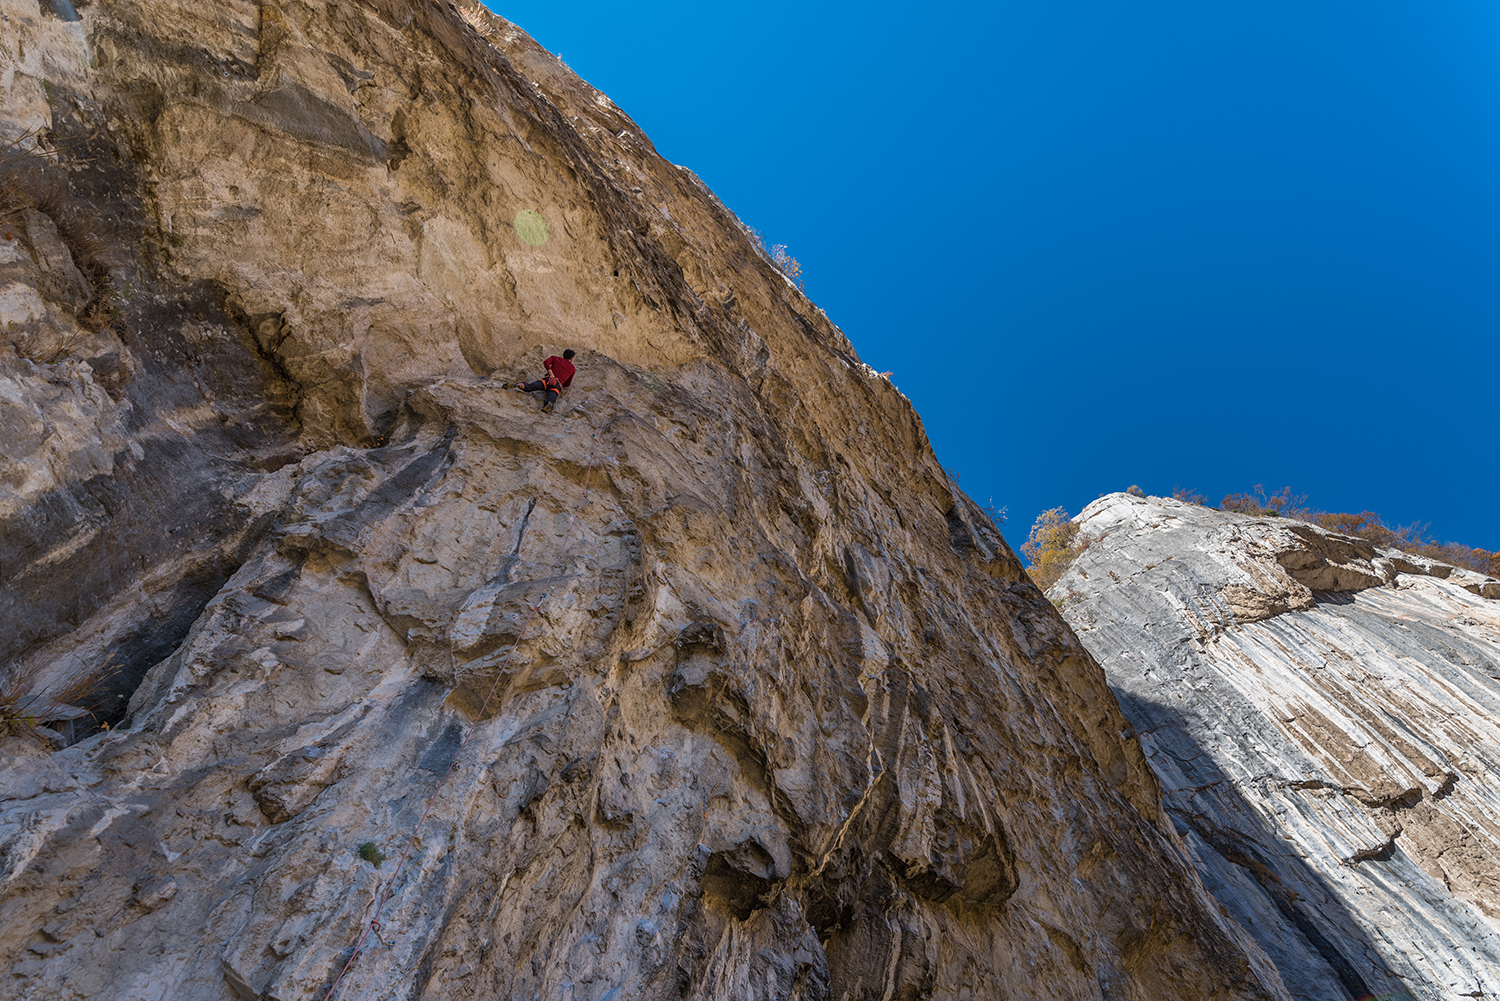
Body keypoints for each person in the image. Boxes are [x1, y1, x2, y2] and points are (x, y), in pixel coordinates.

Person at [512, 349, 576, 413]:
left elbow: (546, 362)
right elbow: (567, 384)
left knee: (530, 387)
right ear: (572, 358)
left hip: (546, 381)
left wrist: (551, 374)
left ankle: (518, 385)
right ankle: (549, 403)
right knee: (551, 398)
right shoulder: (573, 369)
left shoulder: (555, 358)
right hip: (556, 385)